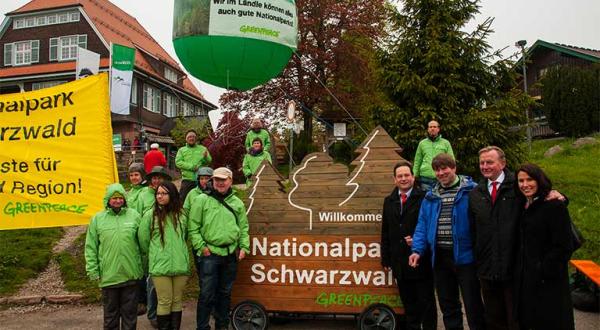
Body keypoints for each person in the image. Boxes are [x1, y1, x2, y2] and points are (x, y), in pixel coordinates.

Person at [408, 153, 485, 330]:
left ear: (454, 168)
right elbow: (422, 225)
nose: (441, 173)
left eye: (444, 168)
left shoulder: (472, 191)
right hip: (440, 257)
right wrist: (417, 250)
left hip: (466, 257)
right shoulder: (430, 196)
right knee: (448, 305)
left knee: (473, 305)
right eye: (437, 170)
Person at [189, 167, 250, 330]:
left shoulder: (237, 203)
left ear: (230, 181)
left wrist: (244, 246)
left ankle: (222, 325)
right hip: (210, 254)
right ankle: (202, 327)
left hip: (230, 254)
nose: (220, 183)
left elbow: (243, 227)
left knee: (225, 294)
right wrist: (201, 247)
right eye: (217, 179)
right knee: (206, 294)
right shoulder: (202, 200)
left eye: (223, 179)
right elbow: (193, 227)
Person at [514, 163, 574, 330]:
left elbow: (564, 246)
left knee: (551, 321)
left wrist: (543, 268)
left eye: (529, 179)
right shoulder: (523, 204)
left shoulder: (554, 205)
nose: (525, 185)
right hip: (527, 279)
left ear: (539, 180)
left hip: (548, 281)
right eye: (520, 181)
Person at [381, 161, 437, 330]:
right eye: (400, 176)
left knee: (427, 305)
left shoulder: (425, 198)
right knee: (409, 307)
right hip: (400, 263)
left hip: (421, 261)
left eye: (407, 175)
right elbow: (386, 230)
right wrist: (386, 258)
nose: (403, 179)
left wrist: (420, 241)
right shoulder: (389, 201)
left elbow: (431, 227)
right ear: (394, 180)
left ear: (413, 177)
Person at [85, 183, 143, 330]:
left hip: (131, 274)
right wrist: (93, 270)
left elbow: (143, 243)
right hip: (109, 276)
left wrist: (143, 266)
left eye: (120, 198)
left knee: (130, 316)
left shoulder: (135, 216)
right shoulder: (97, 219)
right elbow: (91, 247)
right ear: (108, 200)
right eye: (114, 198)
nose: (117, 201)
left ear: (124, 198)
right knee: (110, 317)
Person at [138, 181, 190, 330]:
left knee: (177, 301)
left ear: (172, 194)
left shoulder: (182, 215)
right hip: (160, 266)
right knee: (165, 301)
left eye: (163, 193)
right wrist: (156, 253)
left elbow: (184, 236)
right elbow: (143, 239)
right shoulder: (150, 215)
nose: (159, 196)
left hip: (180, 264)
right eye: (158, 194)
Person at [137, 165, 172, 327]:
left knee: (167, 286)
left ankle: (164, 313)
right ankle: (153, 315)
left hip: (168, 247)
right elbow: (139, 220)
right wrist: (147, 249)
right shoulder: (144, 195)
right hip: (152, 247)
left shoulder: (170, 195)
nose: (156, 180)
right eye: (154, 177)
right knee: (152, 284)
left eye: (160, 177)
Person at [125, 162, 149, 316]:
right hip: (129, 234)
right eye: (132, 175)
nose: (134, 178)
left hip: (141, 233)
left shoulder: (146, 192)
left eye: (136, 175)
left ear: (142, 176)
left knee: (143, 268)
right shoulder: (129, 193)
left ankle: (143, 300)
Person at [413, 120, 454, 191]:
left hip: (441, 177)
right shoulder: (422, 143)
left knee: (440, 200)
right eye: (430, 127)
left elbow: (451, 160)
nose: (432, 128)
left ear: (438, 129)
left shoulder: (445, 143)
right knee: (426, 200)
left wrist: (452, 174)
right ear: (428, 129)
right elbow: (417, 160)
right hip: (425, 178)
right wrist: (414, 176)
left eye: (434, 127)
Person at [175, 129, 212, 201]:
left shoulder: (203, 148)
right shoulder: (181, 150)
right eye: (189, 137)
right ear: (186, 139)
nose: (191, 138)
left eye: (193, 137)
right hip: (187, 179)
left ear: (196, 138)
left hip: (201, 180)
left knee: (202, 199)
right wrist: (192, 167)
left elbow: (208, 161)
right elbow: (178, 162)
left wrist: (205, 157)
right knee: (182, 200)